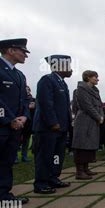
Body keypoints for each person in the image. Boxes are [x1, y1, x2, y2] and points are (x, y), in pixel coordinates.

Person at [0, 38, 31, 208]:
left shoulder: (19, 75)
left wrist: (24, 116)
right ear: (11, 50)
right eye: (22, 51)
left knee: (5, 164)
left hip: (14, 128)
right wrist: (9, 119)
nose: (25, 55)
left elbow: (24, 100)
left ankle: (2, 197)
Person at [33, 55, 73, 192]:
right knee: (45, 155)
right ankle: (41, 183)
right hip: (49, 127)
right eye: (68, 66)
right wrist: (53, 122)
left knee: (57, 155)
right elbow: (46, 104)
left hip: (61, 127)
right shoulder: (47, 80)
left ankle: (53, 177)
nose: (71, 70)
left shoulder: (62, 83)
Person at [71, 70, 104, 179]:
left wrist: (101, 116)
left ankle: (86, 168)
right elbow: (87, 106)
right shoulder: (81, 90)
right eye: (95, 77)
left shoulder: (95, 90)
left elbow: (99, 105)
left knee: (89, 145)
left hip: (93, 121)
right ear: (88, 77)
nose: (97, 79)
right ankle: (79, 171)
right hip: (84, 120)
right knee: (82, 145)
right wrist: (98, 117)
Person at [19, 86, 36, 162]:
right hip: (20, 121)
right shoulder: (20, 98)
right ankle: (15, 158)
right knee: (17, 140)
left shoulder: (33, 100)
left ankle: (24, 156)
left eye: (28, 90)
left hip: (29, 123)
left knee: (26, 140)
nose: (27, 91)